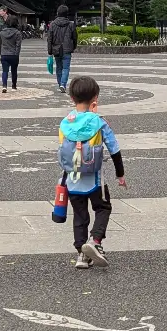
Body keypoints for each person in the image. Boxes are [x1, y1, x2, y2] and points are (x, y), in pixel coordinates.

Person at [53, 76, 127, 269]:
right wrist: (120, 174)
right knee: (103, 208)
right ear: (96, 97)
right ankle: (95, 241)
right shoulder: (99, 122)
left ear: (71, 98)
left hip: (71, 179)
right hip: (95, 180)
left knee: (80, 215)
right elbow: (114, 149)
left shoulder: (65, 123)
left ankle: (81, 254)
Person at [47, 5, 78, 93]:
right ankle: (63, 84)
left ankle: (60, 83)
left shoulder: (52, 24)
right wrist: (73, 47)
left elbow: (50, 39)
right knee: (66, 68)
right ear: (66, 14)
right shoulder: (71, 25)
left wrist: (50, 51)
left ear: (58, 13)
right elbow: (75, 37)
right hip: (67, 49)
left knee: (59, 67)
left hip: (56, 49)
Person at [0, 14, 24, 93]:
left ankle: (4, 86)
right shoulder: (17, 33)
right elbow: (18, 45)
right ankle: (14, 86)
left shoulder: (1, 33)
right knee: (14, 70)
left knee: (4, 71)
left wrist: (1, 53)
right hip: (14, 55)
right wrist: (17, 54)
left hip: (4, 54)